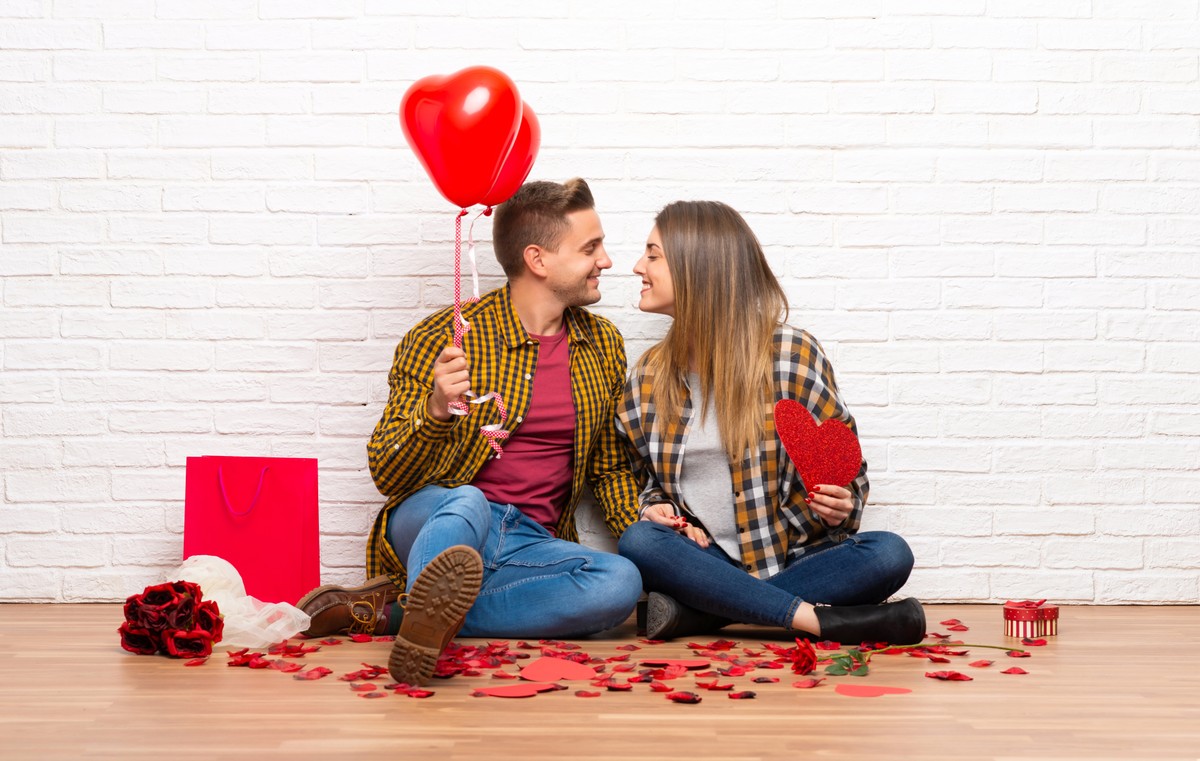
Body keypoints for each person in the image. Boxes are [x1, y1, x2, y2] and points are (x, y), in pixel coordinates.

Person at [297, 179, 643, 685]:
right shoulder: (442, 337)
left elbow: (608, 466)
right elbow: (387, 475)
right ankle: (428, 600)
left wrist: (648, 529)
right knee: (469, 502)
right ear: (538, 260)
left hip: (530, 542)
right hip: (444, 516)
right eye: (591, 248)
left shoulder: (601, 344)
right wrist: (436, 410)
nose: (606, 261)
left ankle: (396, 615)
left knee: (619, 583)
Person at [615, 200, 925, 645]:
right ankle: (817, 621)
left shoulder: (791, 355)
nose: (637, 267)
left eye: (652, 254)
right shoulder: (648, 377)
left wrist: (842, 503)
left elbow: (846, 469)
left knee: (890, 553)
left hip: (798, 558)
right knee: (640, 542)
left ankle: (703, 616)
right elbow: (647, 480)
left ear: (696, 266)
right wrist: (655, 508)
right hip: (708, 563)